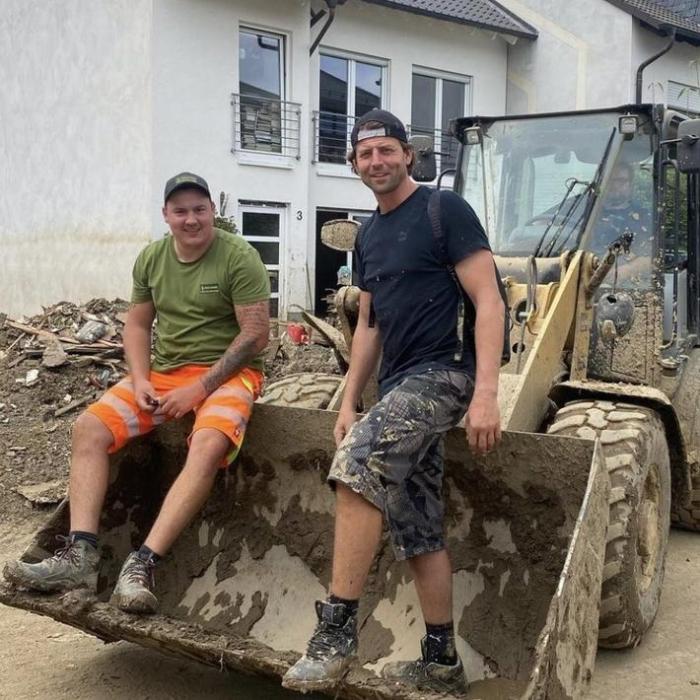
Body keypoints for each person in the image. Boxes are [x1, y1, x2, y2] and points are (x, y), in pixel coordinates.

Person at [282, 110, 505, 695]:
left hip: (446, 375)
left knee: (357, 464)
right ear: (354, 164)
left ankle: (335, 634)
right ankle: (442, 662)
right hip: (399, 383)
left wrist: (486, 392)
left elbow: (488, 300)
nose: (376, 161)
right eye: (365, 154)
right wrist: (348, 400)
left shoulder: (443, 211)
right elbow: (369, 325)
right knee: (417, 525)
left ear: (408, 154)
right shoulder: (368, 236)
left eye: (386, 149)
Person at [4, 172, 270, 614]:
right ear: (166, 215)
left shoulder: (239, 257)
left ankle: (142, 564)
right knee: (89, 428)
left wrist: (199, 388)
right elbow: (138, 324)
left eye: (199, 209)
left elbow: (255, 335)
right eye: (180, 211)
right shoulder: (152, 258)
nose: (191, 219)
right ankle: (80, 556)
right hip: (164, 375)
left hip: (229, 375)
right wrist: (142, 379)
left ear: (212, 211)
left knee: (208, 443)